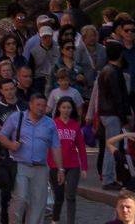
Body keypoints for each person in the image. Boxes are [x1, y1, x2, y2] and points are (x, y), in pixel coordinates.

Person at [0, 90, 55, 224]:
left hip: (41, 167)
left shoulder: (49, 123)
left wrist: (60, 168)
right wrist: (11, 145)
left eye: (44, 105)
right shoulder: (17, 117)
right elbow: (2, 135)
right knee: (21, 198)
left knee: (38, 201)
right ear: (30, 105)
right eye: (38, 105)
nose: (41, 108)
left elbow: (55, 146)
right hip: (20, 164)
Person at [51, 96, 91, 224]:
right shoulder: (52, 124)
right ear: (58, 108)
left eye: (69, 107)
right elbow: (47, 146)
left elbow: (81, 148)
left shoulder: (75, 126)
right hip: (55, 166)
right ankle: (55, 219)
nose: (66, 110)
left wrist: (84, 167)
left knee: (71, 197)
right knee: (59, 197)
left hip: (73, 165)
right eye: (63, 107)